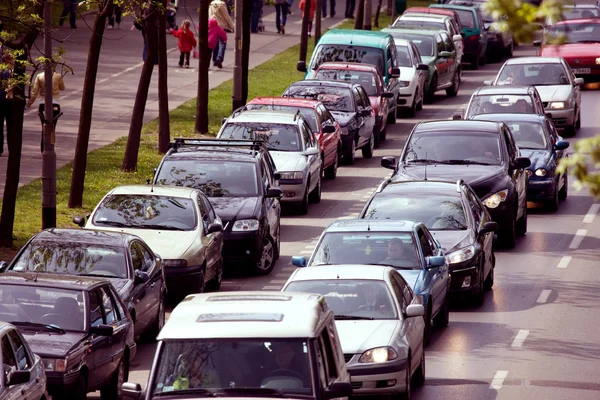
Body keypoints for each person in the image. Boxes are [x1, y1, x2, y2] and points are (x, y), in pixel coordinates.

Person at [209, 0, 234, 68]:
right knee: (222, 43)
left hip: (213, 26)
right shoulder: (221, 4)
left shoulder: (212, 4)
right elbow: (226, 16)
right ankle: (219, 58)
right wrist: (232, 26)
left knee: (215, 44)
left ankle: (214, 61)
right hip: (221, 26)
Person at [0, 52, 12, 157]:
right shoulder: (10, 72)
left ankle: (0, 148)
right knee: (11, 126)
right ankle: (12, 148)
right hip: (8, 101)